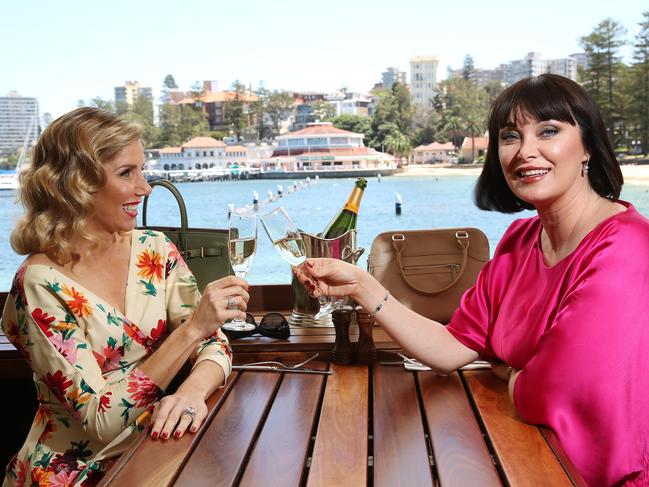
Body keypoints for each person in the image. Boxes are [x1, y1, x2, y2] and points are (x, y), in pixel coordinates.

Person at [296, 74, 649, 486]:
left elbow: (553, 393)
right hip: (527, 454)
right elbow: (452, 347)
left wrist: (511, 374)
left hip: (599, 476)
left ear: (587, 144)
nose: (525, 151)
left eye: (548, 131)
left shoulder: (627, 247)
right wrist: (361, 285)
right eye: (510, 136)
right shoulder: (520, 241)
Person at [0, 107, 249, 486]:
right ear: (76, 185)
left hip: (161, 453)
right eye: (126, 173)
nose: (145, 187)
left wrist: (193, 393)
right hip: (80, 472)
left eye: (141, 169)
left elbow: (215, 343)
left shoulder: (155, 249)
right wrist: (190, 331)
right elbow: (102, 420)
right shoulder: (39, 285)